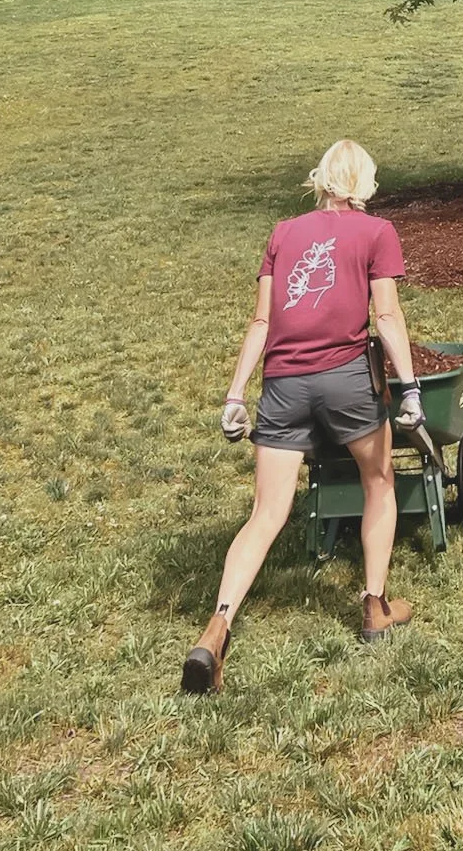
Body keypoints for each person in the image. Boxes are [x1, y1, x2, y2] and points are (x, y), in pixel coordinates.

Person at [182, 139, 425, 694]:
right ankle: (374, 607)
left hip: (283, 386)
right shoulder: (377, 233)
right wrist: (409, 388)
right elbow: (385, 315)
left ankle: (216, 628)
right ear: (363, 184)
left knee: (266, 514)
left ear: (321, 180)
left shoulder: (283, 232)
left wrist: (235, 395)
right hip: (346, 382)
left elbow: (262, 324)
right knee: (379, 480)